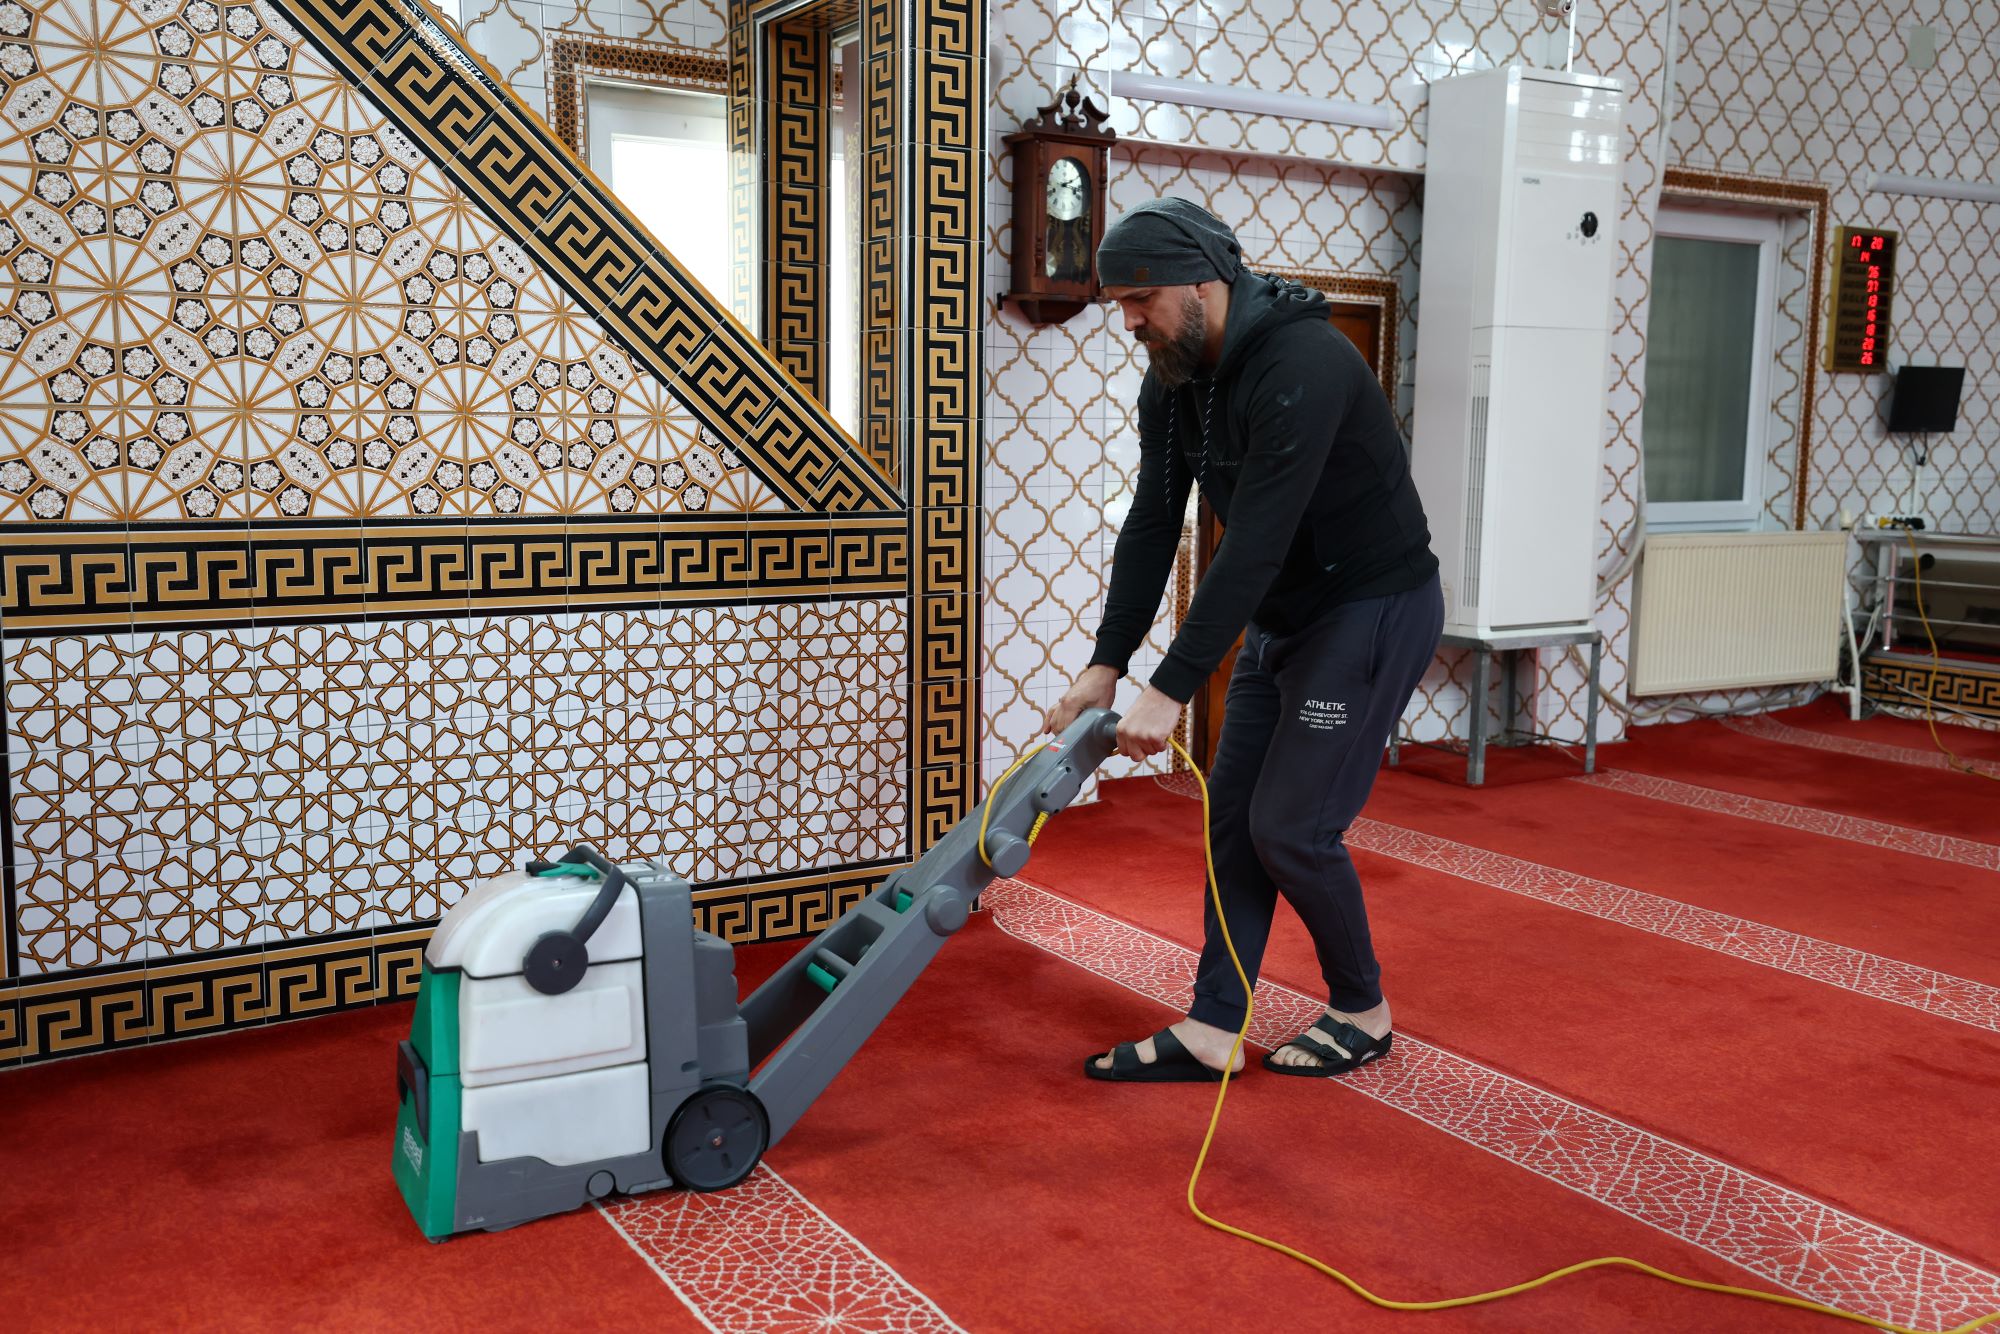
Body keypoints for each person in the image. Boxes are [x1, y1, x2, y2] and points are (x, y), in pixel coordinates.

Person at [1044, 198, 1444, 1082]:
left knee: (1291, 828)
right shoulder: (1175, 378)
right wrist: (1108, 664)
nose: (1129, 321)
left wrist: (1171, 686)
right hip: (1285, 615)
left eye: (1140, 299)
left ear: (1202, 281)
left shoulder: (1306, 362)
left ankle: (1363, 1009)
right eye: (1121, 303)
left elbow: (1255, 541)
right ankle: (1215, 1027)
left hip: (1370, 608)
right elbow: (1154, 522)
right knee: (1233, 822)